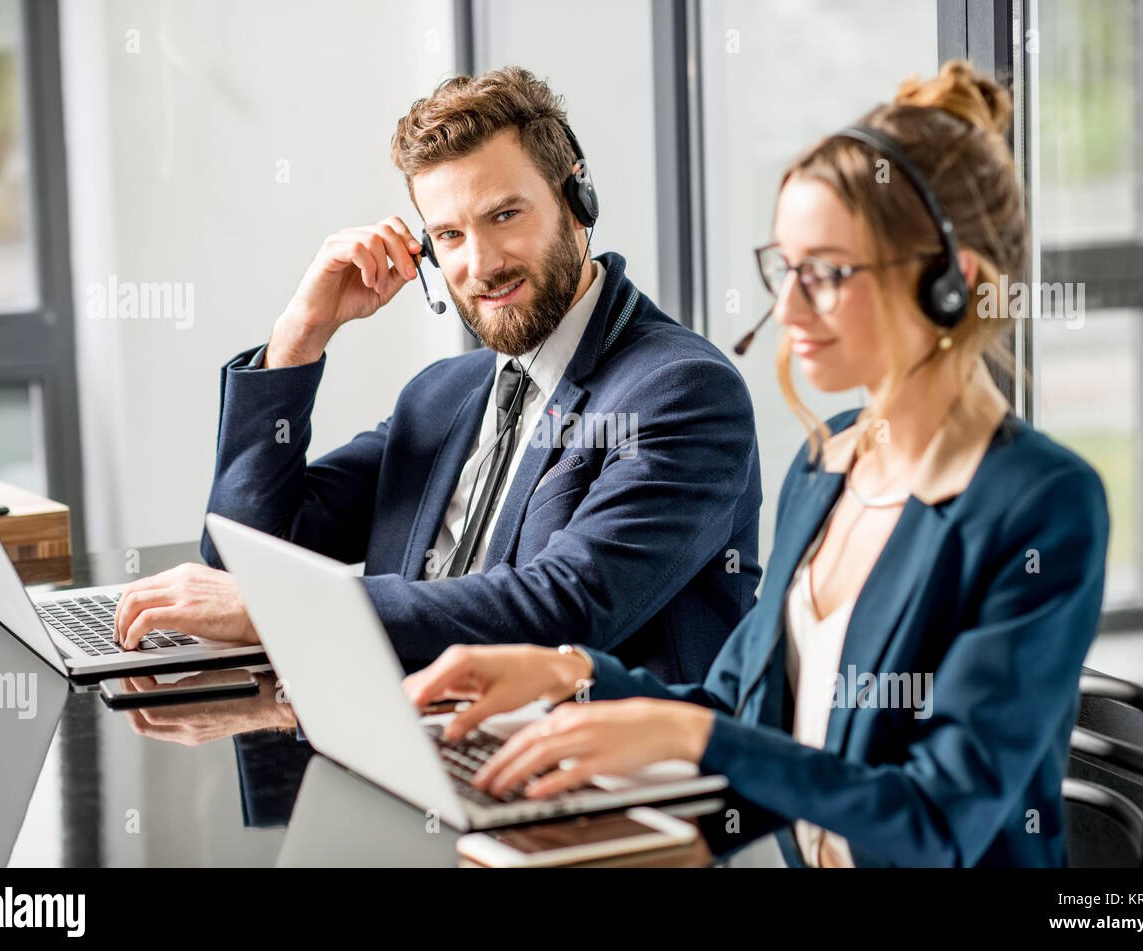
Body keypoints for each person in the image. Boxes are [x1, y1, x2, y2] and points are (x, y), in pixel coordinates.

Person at [404, 60, 1111, 867]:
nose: (789, 310)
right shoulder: (831, 463)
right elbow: (742, 710)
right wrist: (566, 674)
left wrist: (689, 732)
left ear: (952, 284)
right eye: (786, 268)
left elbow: (937, 818)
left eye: (829, 273)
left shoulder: (1042, 503)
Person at [109, 67, 763, 682]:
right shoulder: (443, 395)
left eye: (505, 215)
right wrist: (299, 337)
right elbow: (247, 556)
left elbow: (565, 607)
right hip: (408, 743)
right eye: (448, 235)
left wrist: (284, 611)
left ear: (576, 200)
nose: (481, 264)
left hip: (590, 781)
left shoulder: (682, 391)